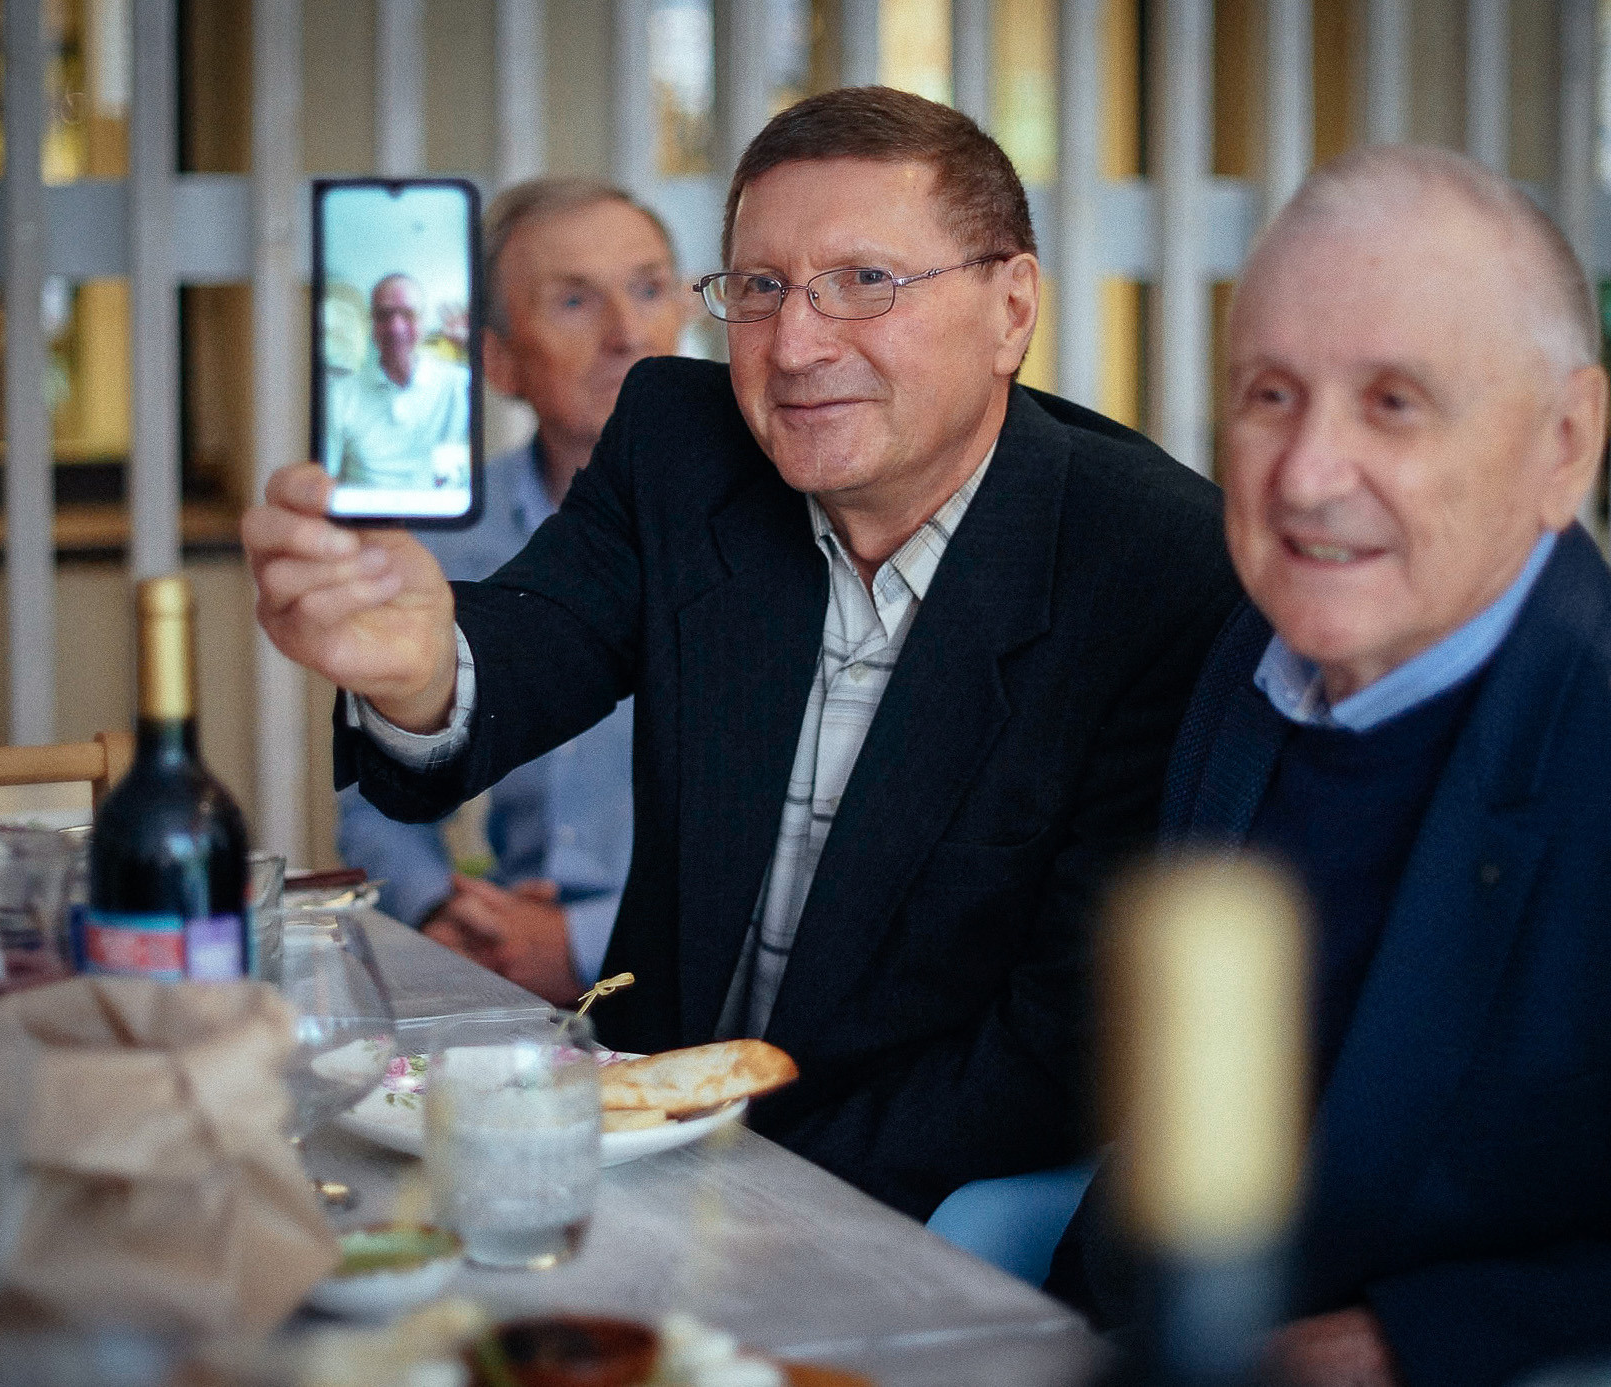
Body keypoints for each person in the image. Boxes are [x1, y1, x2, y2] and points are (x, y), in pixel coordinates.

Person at [243, 86, 1242, 1218]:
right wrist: (418, 667)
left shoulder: (1156, 567)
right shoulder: (685, 443)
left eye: (864, 281)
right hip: (626, 1137)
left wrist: (760, 1197)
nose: (797, 345)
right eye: (758, 289)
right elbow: (532, 644)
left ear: (1011, 308)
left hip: (914, 1193)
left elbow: (1062, 1041)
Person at [1048, 145, 1611, 1387]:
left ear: (1566, 441)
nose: (1306, 474)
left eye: (1393, 402)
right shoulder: (1256, 659)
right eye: (1270, 395)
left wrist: (1412, 1342)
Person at [336, 178, 686, 1005]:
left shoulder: (765, 534)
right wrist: (444, 915)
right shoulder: (440, 545)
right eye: (574, 301)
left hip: (692, 983)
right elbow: (372, 792)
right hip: (504, 976)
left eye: (649, 288)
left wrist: (583, 943)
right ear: (497, 360)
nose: (628, 333)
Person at [328, 272, 471, 488]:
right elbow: (326, 480)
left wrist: (473, 348)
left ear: (423, 322)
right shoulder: (340, 393)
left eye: (408, 314)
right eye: (384, 315)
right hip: (364, 519)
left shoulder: (460, 383)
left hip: (442, 518)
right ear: (372, 324)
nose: (395, 327)